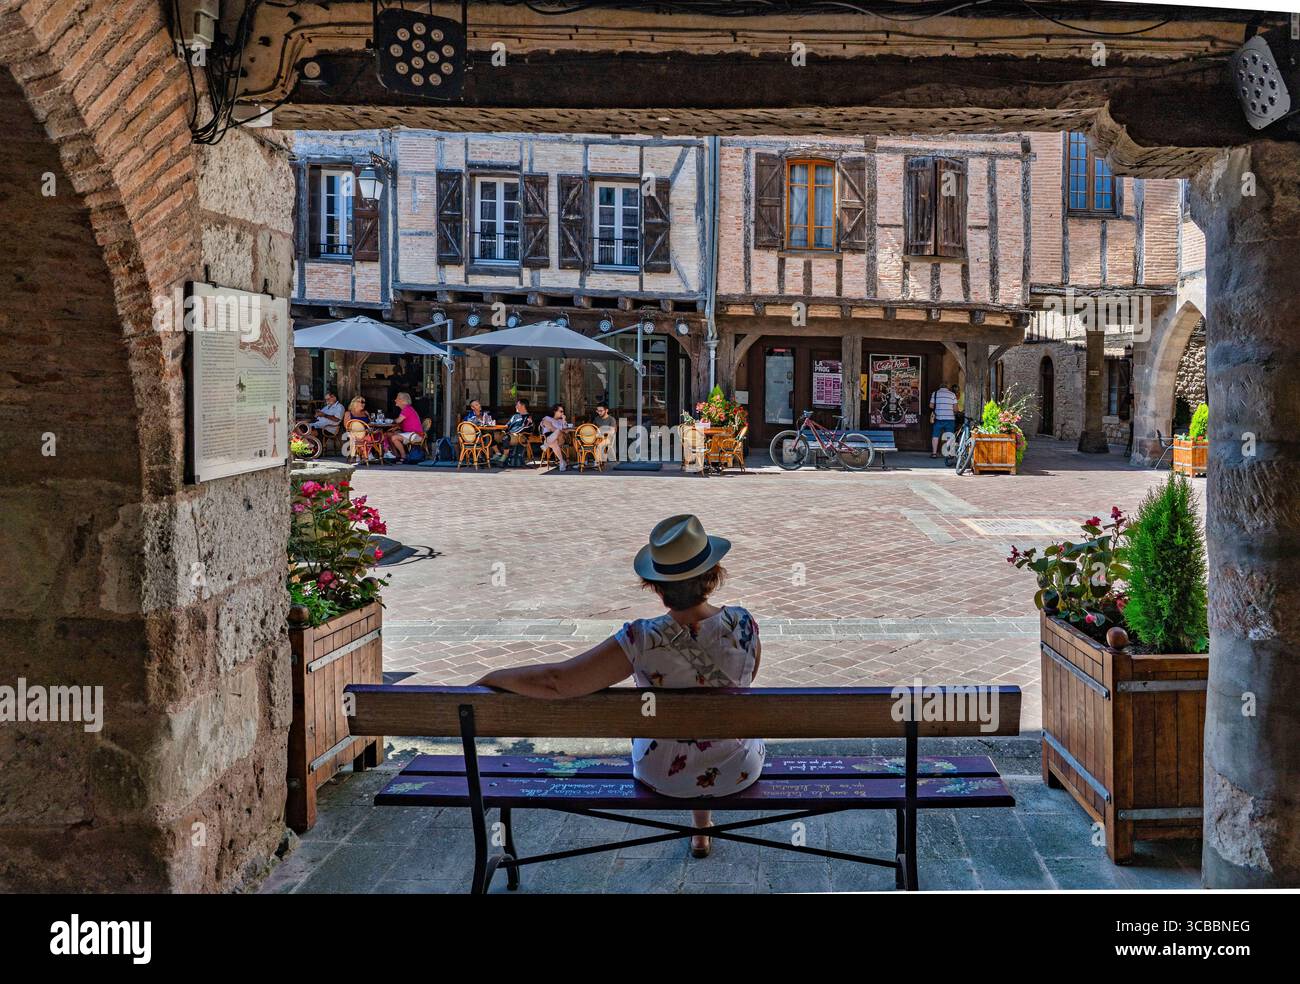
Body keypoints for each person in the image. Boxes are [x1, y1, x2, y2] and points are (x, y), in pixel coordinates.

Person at [475, 514, 763, 859]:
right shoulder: (744, 624)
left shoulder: (640, 638)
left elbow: (558, 682)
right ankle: (702, 827)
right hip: (737, 769)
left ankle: (701, 825)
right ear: (713, 576)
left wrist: (492, 677)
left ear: (656, 586)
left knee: (675, 736)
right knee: (711, 729)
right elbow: (748, 679)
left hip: (664, 774)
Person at [389, 391, 425, 463]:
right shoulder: (406, 409)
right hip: (411, 433)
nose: (395, 400)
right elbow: (403, 423)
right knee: (389, 435)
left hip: (416, 435)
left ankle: (403, 456)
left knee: (394, 437)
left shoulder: (407, 409)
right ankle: (396, 455)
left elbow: (398, 420)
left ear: (403, 401)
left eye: (397, 399)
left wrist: (389, 421)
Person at [539, 403, 571, 471]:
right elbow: (547, 425)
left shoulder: (561, 421)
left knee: (558, 431)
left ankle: (545, 444)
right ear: (555, 411)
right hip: (549, 437)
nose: (562, 413)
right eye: (561, 411)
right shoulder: (547, 418)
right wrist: (558, 430)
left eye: (563, 411)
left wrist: (564, 421)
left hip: (560, 439)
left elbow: (567, 431)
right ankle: (562, 462)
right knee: (554, 443)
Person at [930, 381, 957, 458]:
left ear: (940, 386)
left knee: (935, 435)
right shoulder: (952, 394)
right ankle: (949, 454)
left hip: (938, 418)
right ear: (947, 387)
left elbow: (931, 406)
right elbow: (955, 409)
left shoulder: (935, 393)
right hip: (950, 418)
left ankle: (934, 453)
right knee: (949, 436)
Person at [503, 399, 534, 467]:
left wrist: (513, 433)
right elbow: (506, 426)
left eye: (517, 405)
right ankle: (496, 455)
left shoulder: (528, 417)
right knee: (493, 436)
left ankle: (504, 458)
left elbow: (526, 428)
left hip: (520, 436)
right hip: (510, 435)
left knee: (505, 438)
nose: (515, 406)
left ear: (523, 406)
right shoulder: (515, 416)